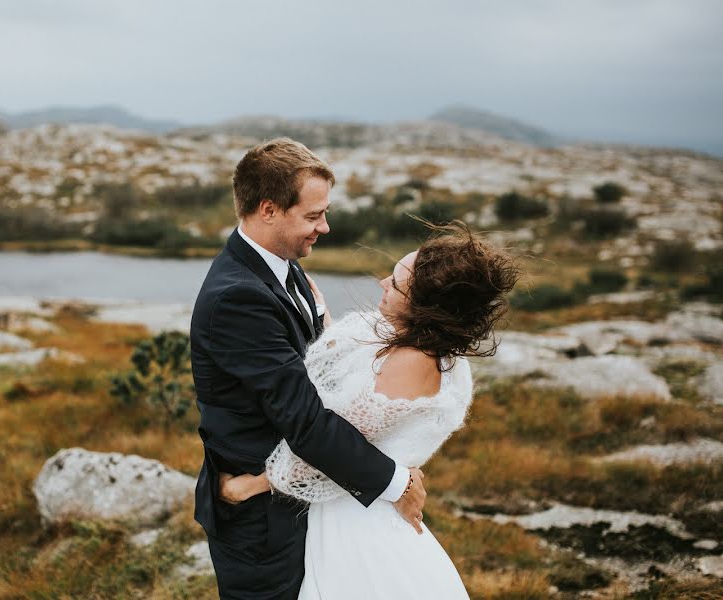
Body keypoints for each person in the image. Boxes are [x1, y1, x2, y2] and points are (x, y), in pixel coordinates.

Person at [219, 222, 519, 599]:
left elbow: (333, 442)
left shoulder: (415, 361)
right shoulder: (416, 343)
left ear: (424, 307)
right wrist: (318, 311)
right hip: (361, 502)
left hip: (358, 525)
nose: (381, 284)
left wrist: (249, 487)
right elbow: (356, 365)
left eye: (395, 283)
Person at [190, 138, 428, 600]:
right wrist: (396, 484)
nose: (326, 226)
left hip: (298, 498)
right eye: (313, 215)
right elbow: (303, 419)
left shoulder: (284, 267)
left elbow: (325, 375)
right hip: (260, 522)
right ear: (269, 210)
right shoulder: (238, 298)